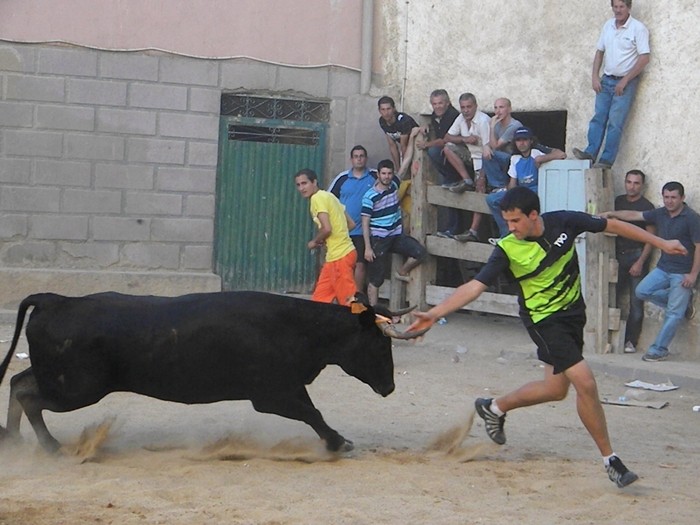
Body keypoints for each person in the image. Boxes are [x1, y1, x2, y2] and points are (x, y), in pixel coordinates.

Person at [408, 186, 687, 488]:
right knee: (586, 382)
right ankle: (611, 461)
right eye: (506, 221)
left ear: (533, 215)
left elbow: (612, 226)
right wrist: (435, 313)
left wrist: (661, 242)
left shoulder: (563, 222)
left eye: (515, 221)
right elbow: (475, 287)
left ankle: (493, 407)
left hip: (572, 316)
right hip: (544, 321)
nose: (510, 228)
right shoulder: (506, 248)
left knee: (555, 389)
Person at [602, 181, 700, 362]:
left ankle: (658, 349)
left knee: (673, 314)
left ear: (682, 198)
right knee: (641, 291)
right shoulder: (660, 213)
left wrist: (693, 275)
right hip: (663, 268)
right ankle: (683, 304)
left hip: (682, 273)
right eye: (666, 197)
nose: (669, 201)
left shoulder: (692, 218)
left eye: (673, 197)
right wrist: (610, 214)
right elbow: (634, 215)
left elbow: (699, 247)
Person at [573, 0, 650, 169]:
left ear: (628, 8)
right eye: (615, 7)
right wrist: (595, 76)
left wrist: (626, 80)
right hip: (606, 79)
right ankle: (590, 153)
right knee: (598, 118)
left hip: (625, 83)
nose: (618, 10)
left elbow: (644, 57)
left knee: (615, 122)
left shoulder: (638, 28)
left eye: (621, 6)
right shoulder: (608, 25)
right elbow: (600, 52)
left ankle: (606, 160)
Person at [361, 158, 427, 305]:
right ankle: (374, 311)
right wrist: (368, 247)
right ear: (378, 174)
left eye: (389, 173)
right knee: (376, 279)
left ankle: (402, 271)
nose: (387, 176)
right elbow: (365, 222)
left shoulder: (394, 186)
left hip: (396, 236)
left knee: (420, 253)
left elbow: (406, 161)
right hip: (378, 239)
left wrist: (413, 135)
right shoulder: (370, 196)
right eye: (383, 173)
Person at [486, 127, 566, 240]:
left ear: (531, 141)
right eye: (518, 140)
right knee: (492, 199)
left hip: (537, 189)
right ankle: (507, 234)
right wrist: (510, 197)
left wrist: (541, 158)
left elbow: (561, 154)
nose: (522, 143)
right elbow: (513, 184)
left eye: (525, 139)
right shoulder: (515, 158)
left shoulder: (536, 152)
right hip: (522, 190)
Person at [295, 168, 357, 306]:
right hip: (335, 257)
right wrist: (329, 238)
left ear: (314, 182)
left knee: (351, 305)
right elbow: (351, 224)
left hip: (340, 257)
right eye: (298, 185)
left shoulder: (317, 198)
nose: (301, 188)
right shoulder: (330, 196)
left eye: (304, 183)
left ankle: (373, 325)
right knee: (318, 302)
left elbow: (327, 228)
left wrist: (314, 241)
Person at [613, 169, 655, 353]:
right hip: (617, 255)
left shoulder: (647, 207)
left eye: (636, 183)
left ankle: (631, 341)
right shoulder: (618, 201)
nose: (632, 186)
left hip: (637, 255)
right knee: (610, 296)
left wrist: (640, 262)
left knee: (636, 301)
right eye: (629, 182)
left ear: (642, 185)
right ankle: (611, 337)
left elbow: (650, 238)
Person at [442, 93, 491, 243]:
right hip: (471, 155)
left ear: (475, 106)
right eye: (463, 107)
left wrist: (482, 175)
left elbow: (488, 150)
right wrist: (464, 139)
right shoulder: (461, 118)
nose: (466, 110)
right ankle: (466, 179)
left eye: (469, 107)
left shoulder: (483, 121)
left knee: (480, 191)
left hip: (486, 159)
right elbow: (447, 137)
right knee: (448, 148)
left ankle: (473, 231)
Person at [328, 146, 377, 291]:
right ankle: (343, 296)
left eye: (362, 156)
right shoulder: (342, 178)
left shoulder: (374, 176)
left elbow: (391, 183)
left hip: (363, 231)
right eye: (356, 156)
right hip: (343, 231)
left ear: (366, 159)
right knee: (343, 264)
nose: (359, 159)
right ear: (351, 159)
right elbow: (329, 201)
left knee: (360, 264)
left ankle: (357, 297)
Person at [417, 89, 462, 238]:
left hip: (460, 161)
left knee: (434, 152)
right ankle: (451, 229)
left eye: (441, 103)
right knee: (448, 194)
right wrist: (425, 127)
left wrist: (427, 144)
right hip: (448, 163)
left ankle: (454, 229)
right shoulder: (435, 116)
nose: (438, 106)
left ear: (448, 103)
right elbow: (433, 126)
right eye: (435, 104)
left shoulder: (453, 116)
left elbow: (445, 139)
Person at [480, 98, 522, 191]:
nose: (498, 111)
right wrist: (486, 147)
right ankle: (497, 185)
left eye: (501, 107)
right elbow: (489, 145)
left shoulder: (514, 125)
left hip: (514, 159)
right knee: (486, 153)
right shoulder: (497, 124)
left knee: (491, 154)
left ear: (509, 109)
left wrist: (491, 127)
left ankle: (500, 186)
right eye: (495, 108)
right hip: (502, 158)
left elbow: (495, 146)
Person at [377, 95, 419, 173]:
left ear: (394, 109)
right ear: (379, 111)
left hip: (415, 143)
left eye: (388, 109)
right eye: (383, 109)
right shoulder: (382, 121)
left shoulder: (403, 121)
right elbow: (392, 145)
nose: (386, 113)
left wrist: (403, 170)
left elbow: (404, 146)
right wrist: (398, 168)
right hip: (407, 146)